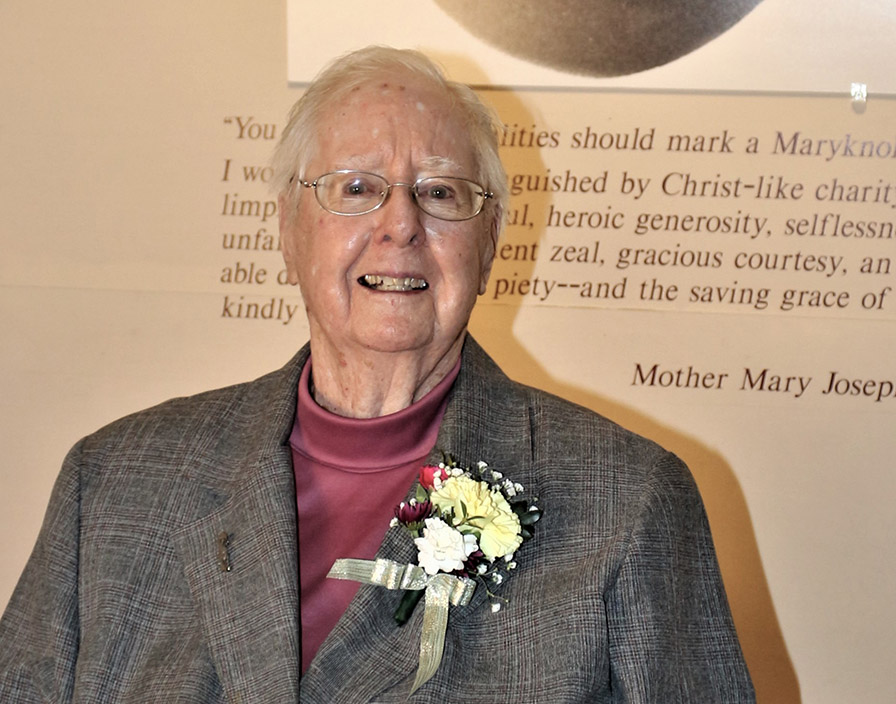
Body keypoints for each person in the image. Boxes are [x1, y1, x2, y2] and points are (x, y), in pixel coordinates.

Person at [0, 46, 754, 702]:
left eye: (440, 192)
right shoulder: (111, 487)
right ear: (290, 234)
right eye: (356, 188)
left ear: (488, 244)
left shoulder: (629, 503)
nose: (400, 224)